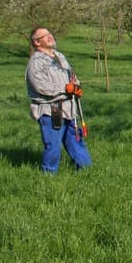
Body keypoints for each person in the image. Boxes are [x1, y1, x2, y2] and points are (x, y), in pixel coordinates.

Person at [25, 27, 92, 173]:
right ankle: (48, 175)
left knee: (76, 141)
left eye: (50, 34)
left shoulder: (59, 56)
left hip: (69, 109)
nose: (50, 37)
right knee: (53, 146)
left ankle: (87, 170)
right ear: (37, 42)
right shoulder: (36, 62)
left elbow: (72, 77)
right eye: (45, 35)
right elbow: (40, 87)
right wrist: (65, 90)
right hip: (51, 110)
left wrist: (76, 87)